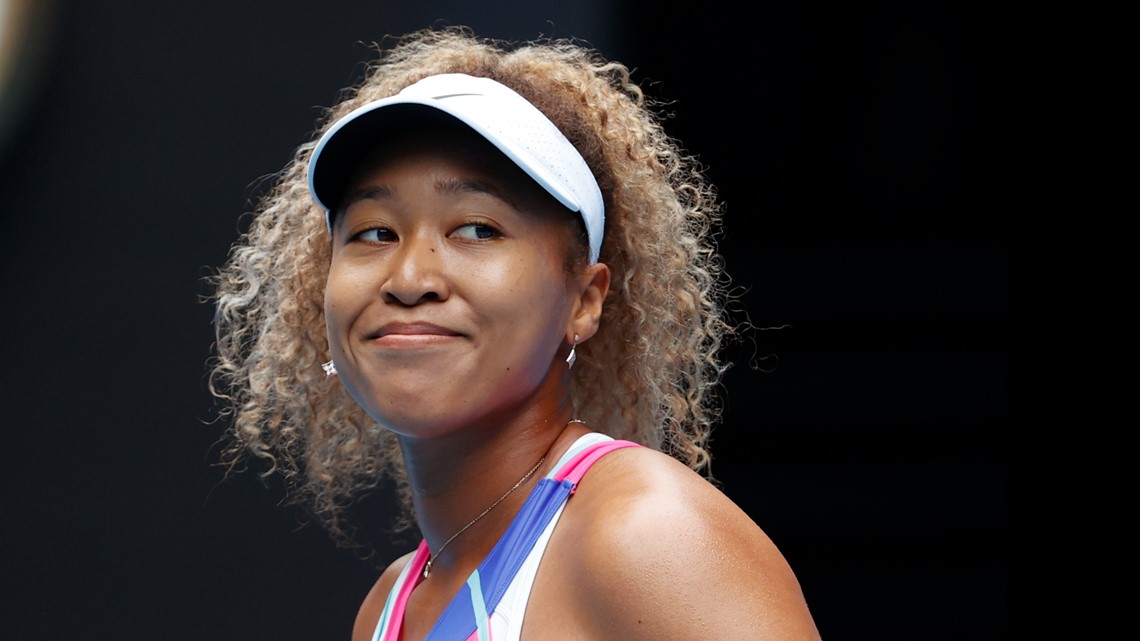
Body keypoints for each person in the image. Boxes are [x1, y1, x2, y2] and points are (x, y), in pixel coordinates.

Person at [208, 25, 822, 641]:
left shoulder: (646, 534)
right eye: (374, 233)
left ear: (584, 301)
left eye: (476, 229)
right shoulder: (390, 605)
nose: (411, 277)